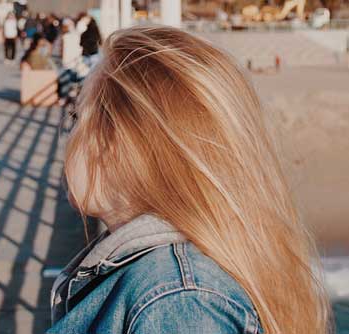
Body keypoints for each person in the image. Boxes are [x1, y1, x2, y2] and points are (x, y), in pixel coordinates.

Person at [47, 26, 329, 334]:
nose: (69, 135)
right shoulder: (175, 289)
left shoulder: (181, 302)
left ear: (124, 144)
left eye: (77, 117)